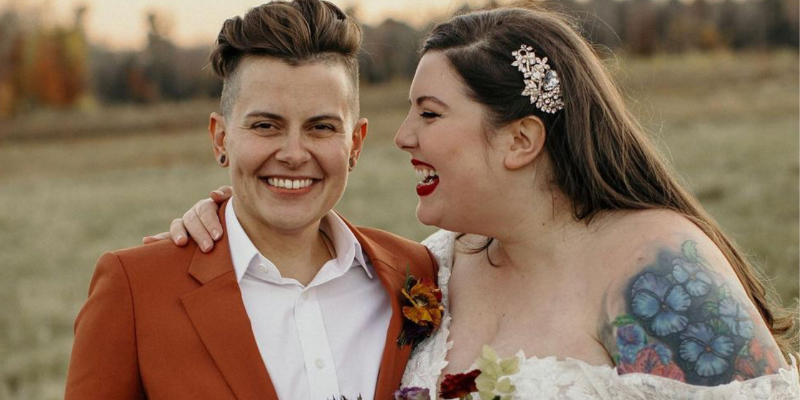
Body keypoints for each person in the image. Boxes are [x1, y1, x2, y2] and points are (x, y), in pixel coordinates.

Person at [152, 5, 800, 399]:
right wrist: (232, 218)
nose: (402, 137)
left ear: (520, 139)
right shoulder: (433, 271)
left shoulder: (657, 267)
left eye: (429, 113)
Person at [65, 1, 437, 399]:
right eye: (265, 125)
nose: (294, 154)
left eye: (321, 127)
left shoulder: (415, 272)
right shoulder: (136, 290)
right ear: (221, 138)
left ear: (355, 144)